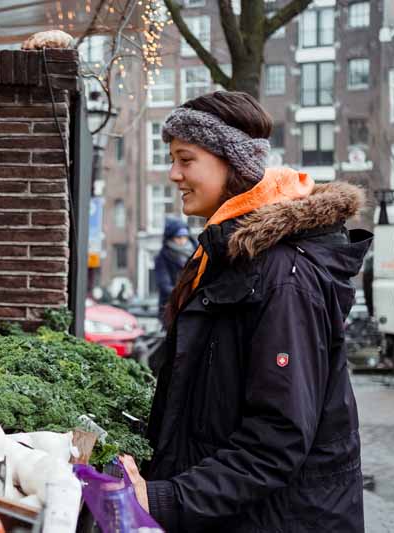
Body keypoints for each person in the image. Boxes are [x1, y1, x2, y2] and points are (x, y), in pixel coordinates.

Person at [118, 91, 372, 532]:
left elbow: (277, 439)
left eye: (186, 159)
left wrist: (162, 498)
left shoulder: (282, 275)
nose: (173, 174)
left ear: (232, 164)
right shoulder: (226, 259)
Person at [154, 217, 196, 322]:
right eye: (178, 237)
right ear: (171, 238)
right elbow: (164, 285)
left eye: (184, 236)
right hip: (171, 307)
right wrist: (183, 296)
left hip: (193, 306)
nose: (182, 240)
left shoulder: (196, 252)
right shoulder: (162, 257)